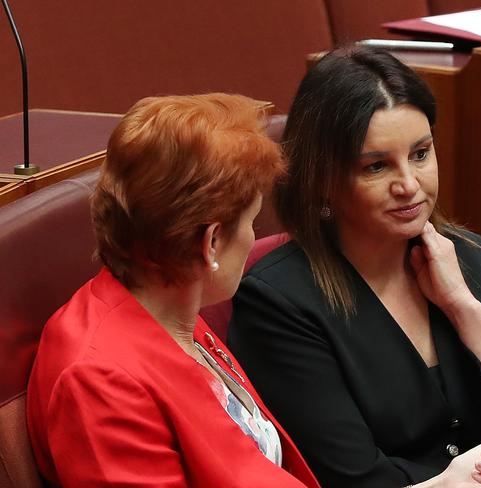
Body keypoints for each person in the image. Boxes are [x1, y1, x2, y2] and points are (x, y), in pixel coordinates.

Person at [227, 46, 481, 488]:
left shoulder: (478, 264)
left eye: (420, 154)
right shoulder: (279, 303)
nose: (409, 186)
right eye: (376, 166)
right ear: (323, 178)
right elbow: (353, 478)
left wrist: (466, 310)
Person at [26, 93, 320, 487]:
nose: (254, 238)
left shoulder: (170, 303)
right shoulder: (98, 381)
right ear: (211, 243)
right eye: (252, 222)